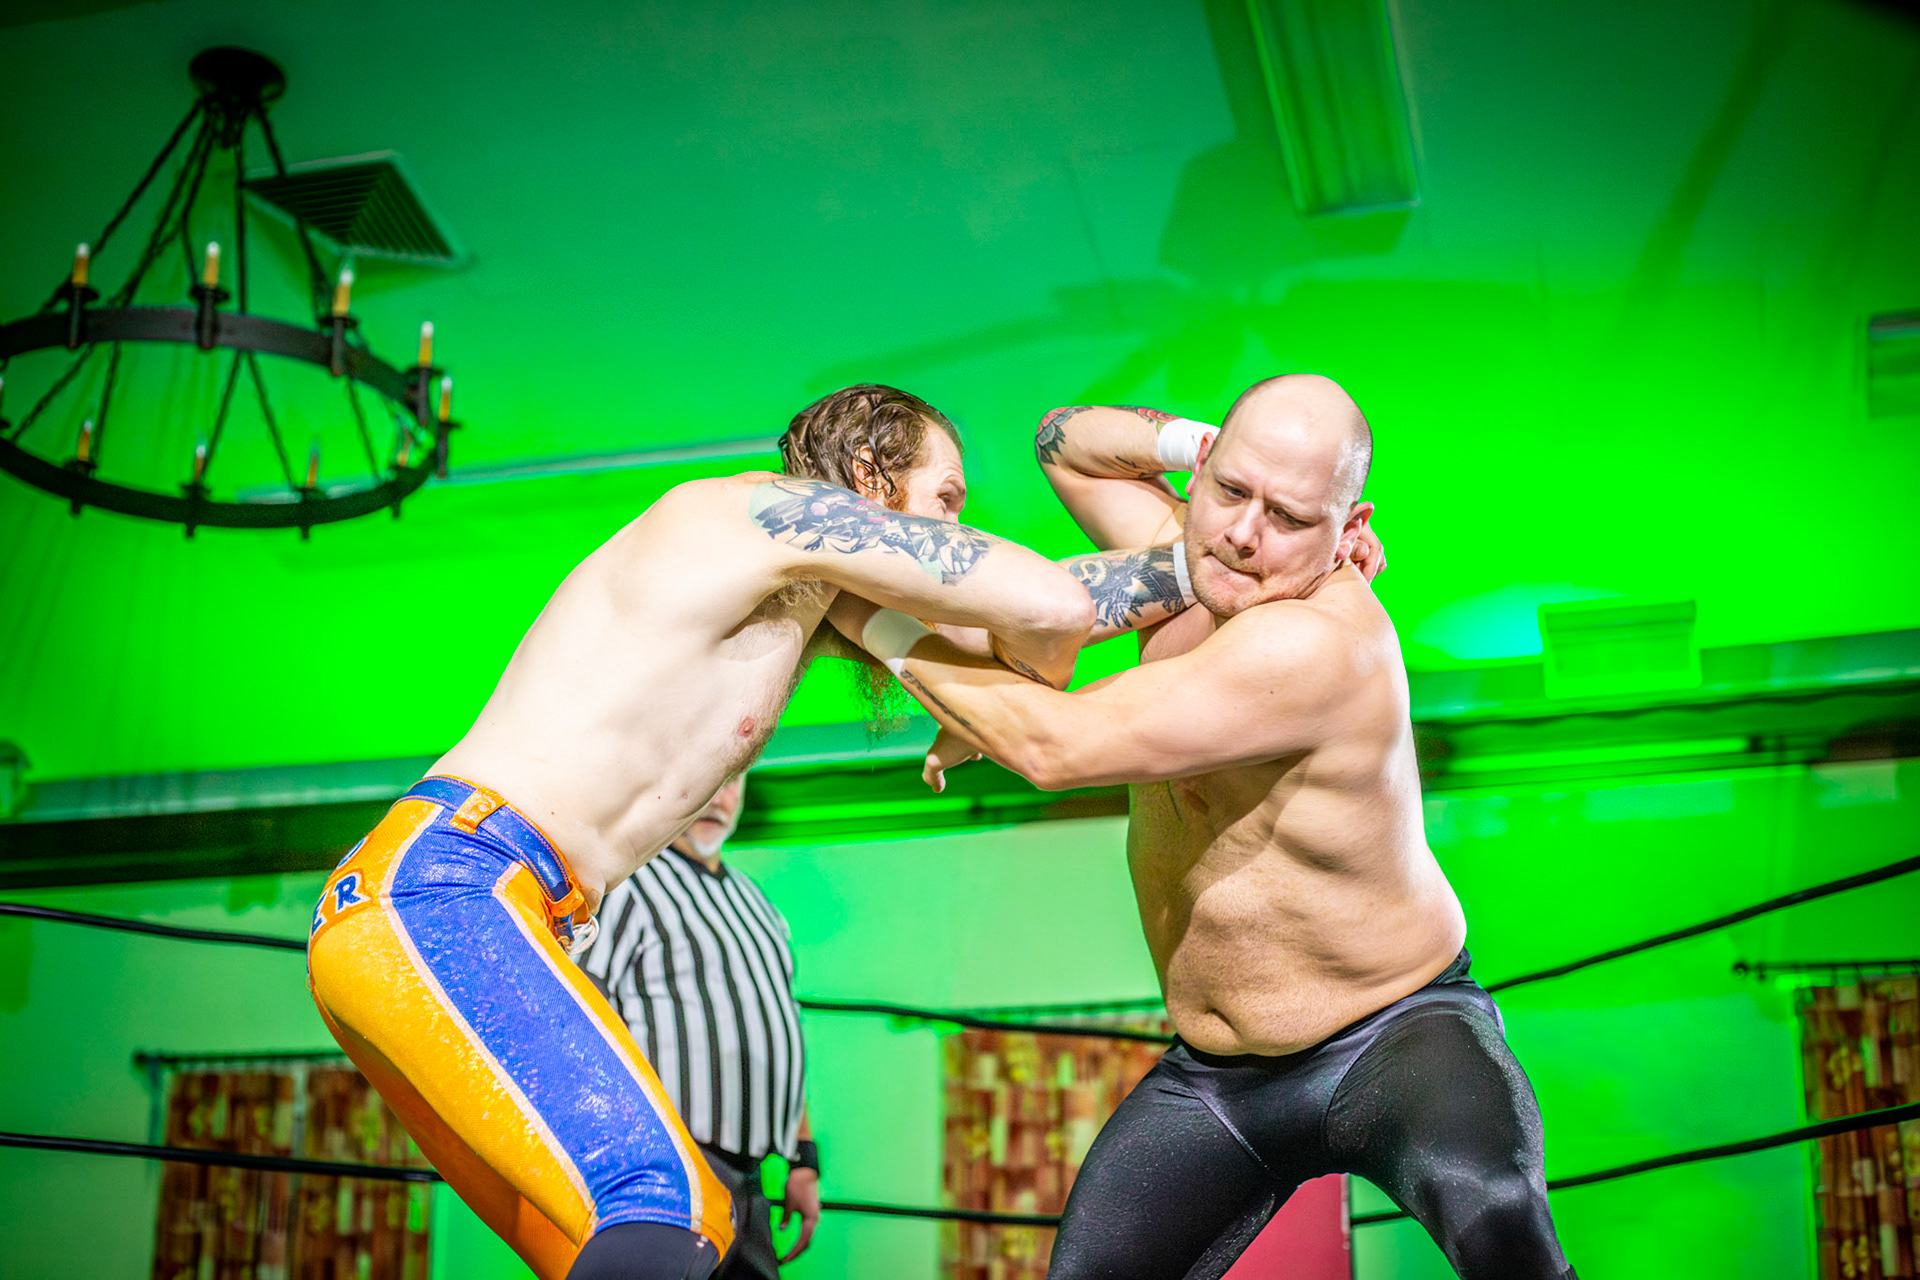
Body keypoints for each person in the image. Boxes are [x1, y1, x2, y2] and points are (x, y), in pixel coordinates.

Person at [305, 384, 1108, 1280]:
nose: (957, 525)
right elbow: (1049, 606)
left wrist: (1201, 566)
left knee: (674, 1247)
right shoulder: (756, 515)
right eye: (946, 497)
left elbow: (1032, 625)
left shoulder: (808, 597)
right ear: (870, 473)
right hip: (451, 889)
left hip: (468, 910)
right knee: (662, 1203)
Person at [830, 377, 1579, 1279]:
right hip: (1221, 1074)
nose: (1244, 534)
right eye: (1230, 491)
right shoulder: (1201, 558)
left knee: (1506, 1238)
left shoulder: (1313, 641)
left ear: (1349, 530)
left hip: (1394, 1037)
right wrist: (1206, 447)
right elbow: (1063, 439)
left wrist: (861, 612)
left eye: (1290, 517)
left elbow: (1054, 747)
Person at [577, 773, 821, 1279]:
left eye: (734, 780)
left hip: (752, 1176)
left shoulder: (758, 904)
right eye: (710, 777)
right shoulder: (631, 886)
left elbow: (780, 1030)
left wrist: (803, 1158)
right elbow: (581, 1013)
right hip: (668, 1166)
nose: (719, 797)